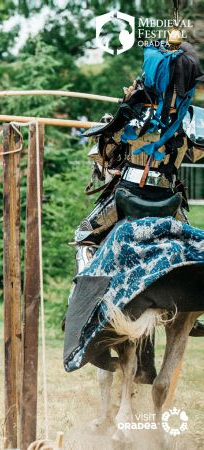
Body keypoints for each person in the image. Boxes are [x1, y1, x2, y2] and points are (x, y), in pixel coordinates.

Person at [68, 35, 204, 381]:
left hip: (127, 196)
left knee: (84, 235)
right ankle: (195, 315)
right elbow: (196, 153)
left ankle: (84, 308)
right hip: (167, 203)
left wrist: (111, 160)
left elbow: (104, 153)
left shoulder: (132, 109)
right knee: (184, 241)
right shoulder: (191, 118)